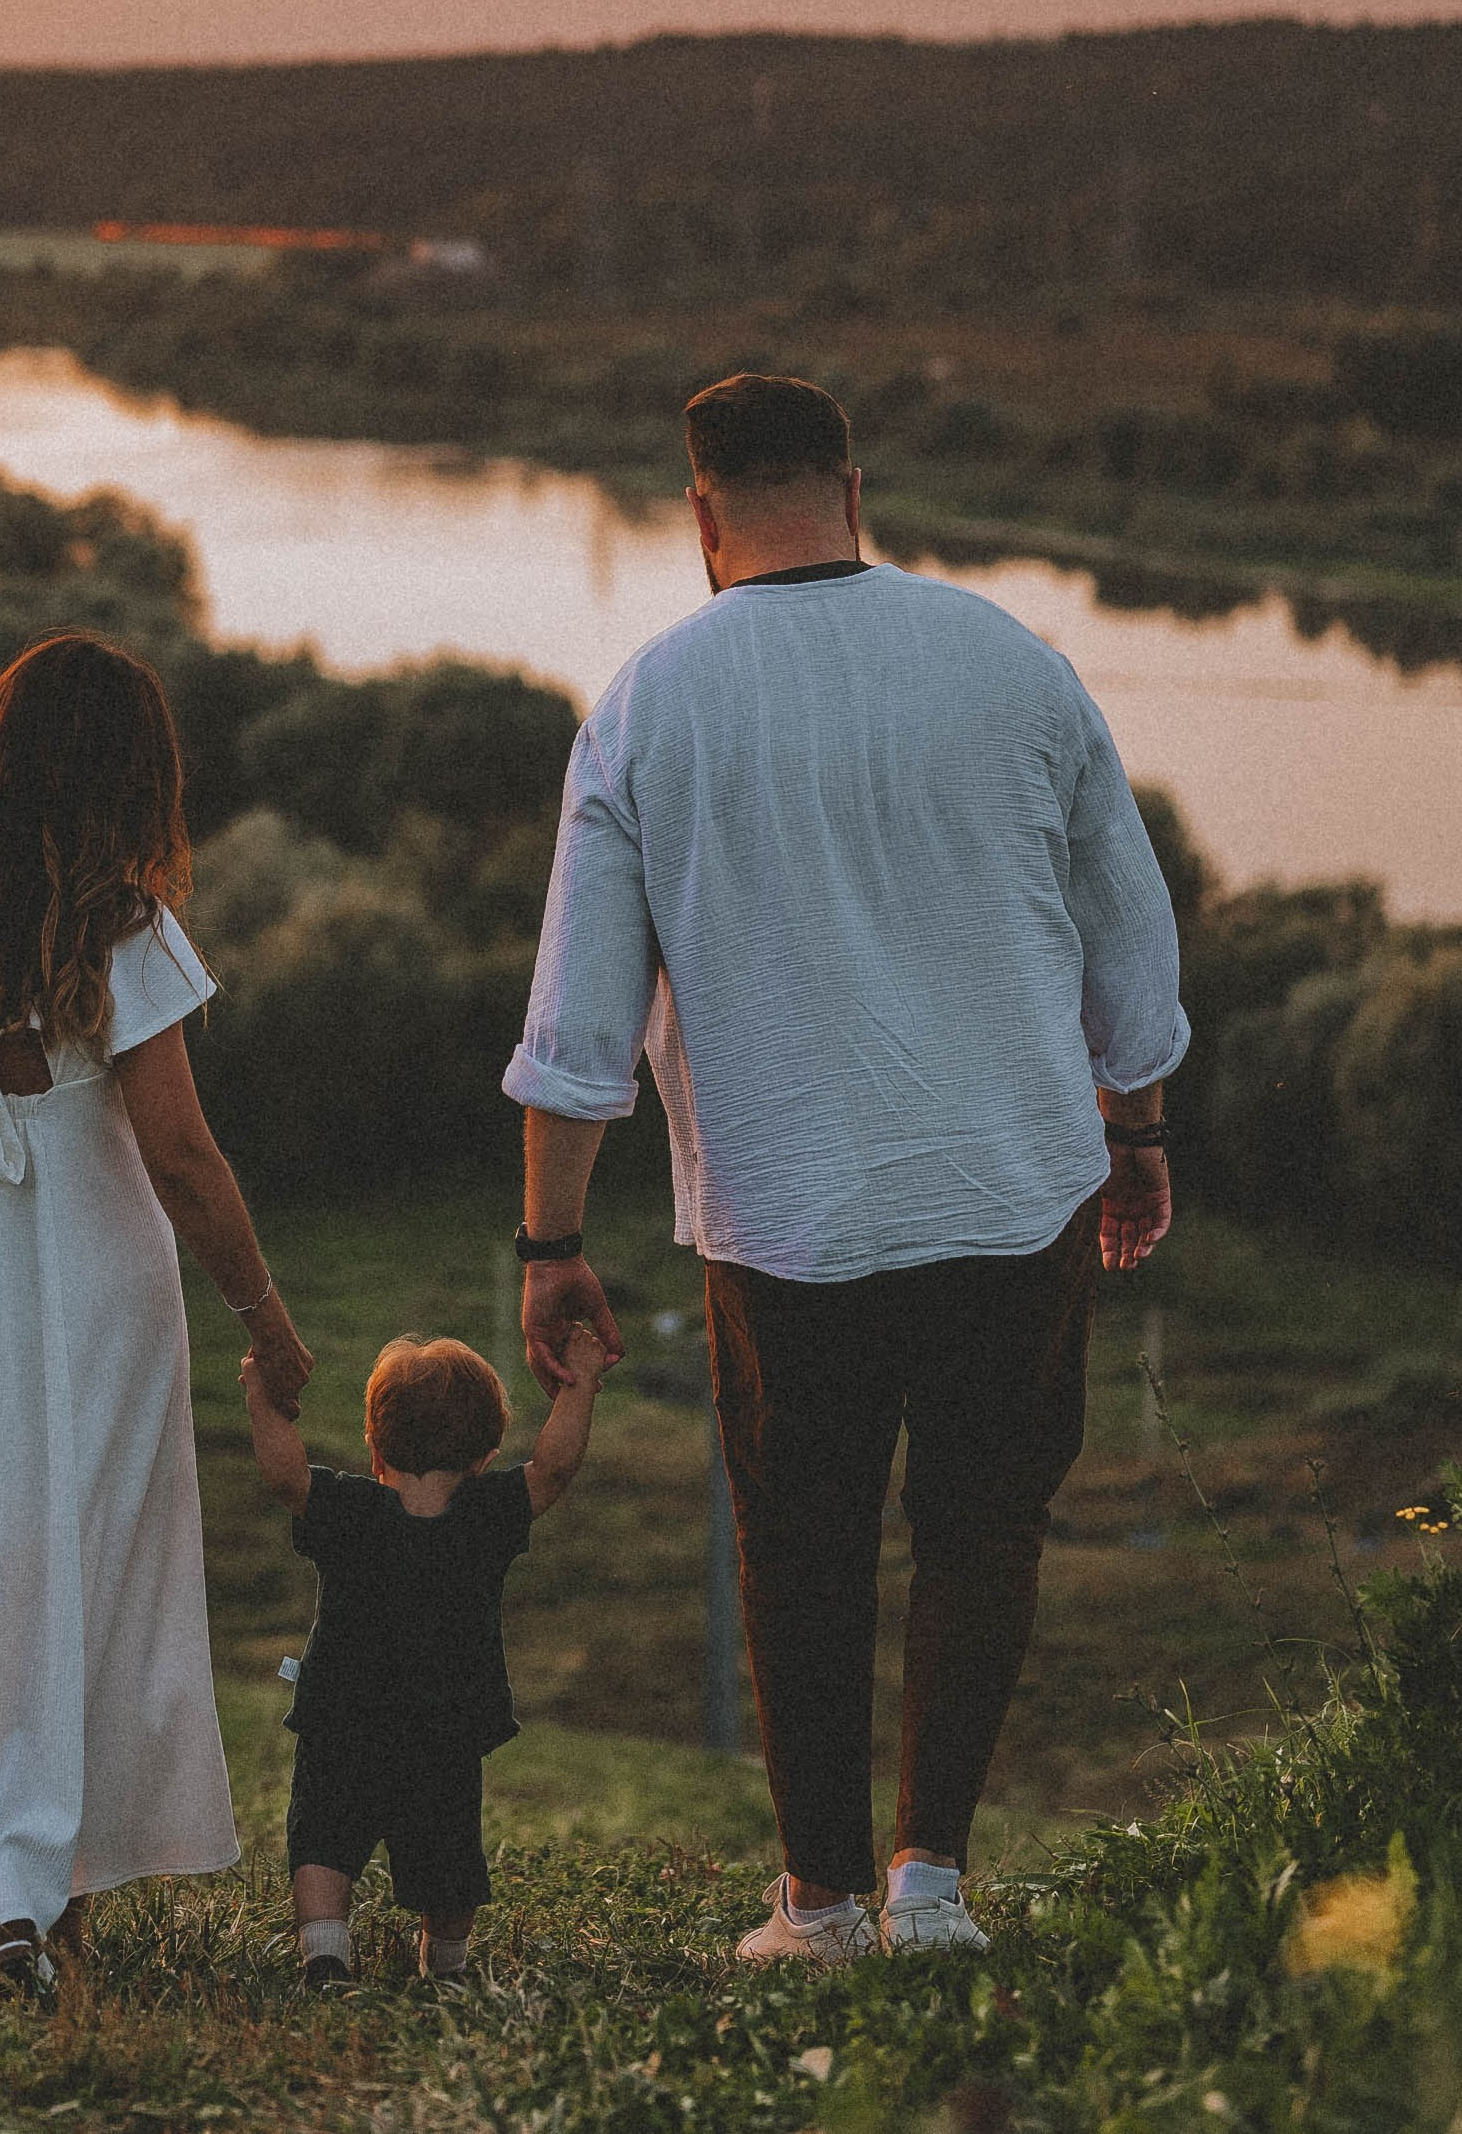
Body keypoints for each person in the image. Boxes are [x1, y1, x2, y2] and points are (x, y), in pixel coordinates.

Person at [505, 373, 1185, 1969]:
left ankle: (814, 1904)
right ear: (852, 487)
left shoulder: (650, 701)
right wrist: (1136, 1128)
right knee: (982, 1527)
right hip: (1014, 1189)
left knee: (801, 1543)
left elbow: (578, 1021)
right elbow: (1127, 932)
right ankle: (929, 1885)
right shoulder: (1011, 661)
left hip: (787, 1214)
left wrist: (549, 1239)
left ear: (700, 512)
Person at [0, 631, 313, 1981]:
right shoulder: (122, 931)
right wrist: (266, 1318)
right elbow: (182, 1154)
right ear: (125, 783)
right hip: (92, 1292)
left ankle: (10, 1882)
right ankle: (33, 1888)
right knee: (80, 1571)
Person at [241, 1324, 606, 1988]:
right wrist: (578, 1384)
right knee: (449, 1859)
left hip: (342, 1719)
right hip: (447, 1729)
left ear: (374, 1447)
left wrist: (262, 1395)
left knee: (323, 1839)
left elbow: (285, 1475)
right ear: (485, 1455)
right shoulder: (488, 1514)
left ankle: (326, 1956)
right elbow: (554, 1467)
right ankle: (447, 1968)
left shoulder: (349, 1509)